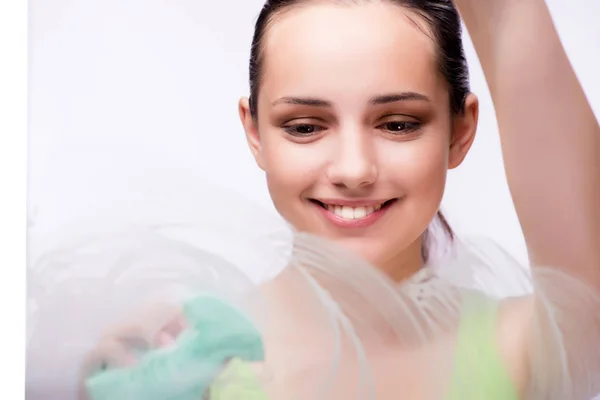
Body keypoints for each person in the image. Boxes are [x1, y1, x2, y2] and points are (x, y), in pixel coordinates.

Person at [78, 0, 600, 399]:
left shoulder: (526, 347)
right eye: (305, 126)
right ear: (254, 132)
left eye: (398, 124)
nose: (353, 170)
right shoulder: (181, 351)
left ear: (460, 131)